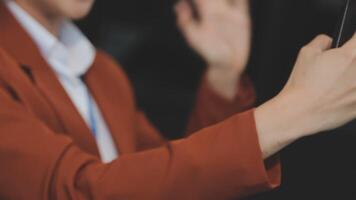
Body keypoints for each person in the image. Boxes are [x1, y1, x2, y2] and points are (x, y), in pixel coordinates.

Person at [0, 0, 356, 199]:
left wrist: (223, 73)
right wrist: (293, 111)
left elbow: (168, 182)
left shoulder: (102, 73)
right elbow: (79, 191)